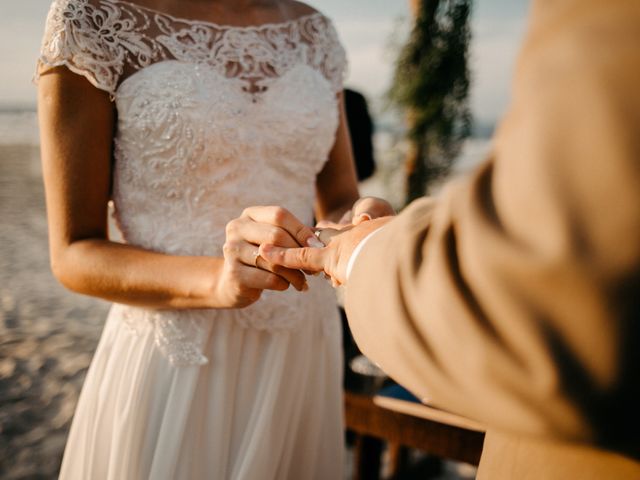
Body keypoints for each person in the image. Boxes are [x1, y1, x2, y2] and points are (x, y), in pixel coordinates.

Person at [261, 0, 640, 478]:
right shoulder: (133, 18)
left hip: (306, 319)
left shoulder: (312, 33)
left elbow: (557, 285)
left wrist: (362, 242)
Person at [34, 0, 385, 477]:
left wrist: (362, 222)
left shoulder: (313, 31)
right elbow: (74, 251)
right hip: (179, 354)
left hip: (302, 343)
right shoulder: (91, 18)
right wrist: (219, 281)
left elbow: (340, 195)